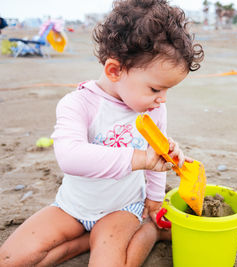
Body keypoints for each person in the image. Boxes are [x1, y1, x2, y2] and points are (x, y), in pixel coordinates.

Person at [0, 0, 204, 266]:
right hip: (72, 207)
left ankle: (150, 232)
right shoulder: (78, 104)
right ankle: (88, 239)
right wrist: (141, 158)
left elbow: (155, 165)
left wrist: (154, 203)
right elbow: (71, 158)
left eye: (167, 91)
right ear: (114, 70)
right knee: (10, 259)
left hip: (122, 209)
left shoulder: (152, 111)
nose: (162, 99)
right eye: (155, 89)